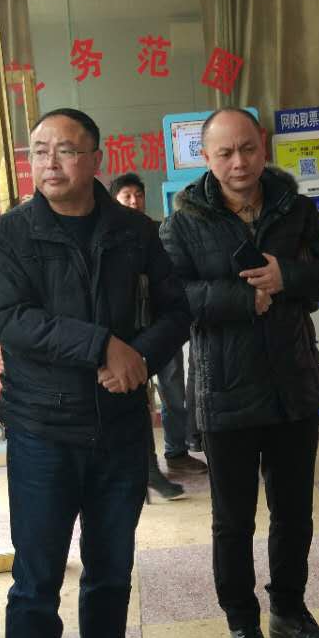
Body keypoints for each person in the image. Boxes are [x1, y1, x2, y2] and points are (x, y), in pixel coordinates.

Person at [0, 108, 189, 638]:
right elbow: (13, 320)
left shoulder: (134, 232)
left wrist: (139, 357)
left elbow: (177, 310)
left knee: (111, 568)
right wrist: (103, 345)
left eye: (65, 150)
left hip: (119, 427)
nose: (50, 162)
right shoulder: (8, 235)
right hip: (43, 430)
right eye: (39, 150)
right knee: (37, 578)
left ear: (96, 157)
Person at [159, 107, 319, 638]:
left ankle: (289, 610)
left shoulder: (295, 207)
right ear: (205, 158)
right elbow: (170, 298)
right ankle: (242, 622)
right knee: (233, 520)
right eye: (225, 153)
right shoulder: (183, 221)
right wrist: (242, 298)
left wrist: (288, 276)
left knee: (294, 512)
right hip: (226, 391)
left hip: (293, 384)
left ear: (263, 146)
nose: (238, 162)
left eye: (247, 148)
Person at [109, 172, 199, 502]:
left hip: (161, 327)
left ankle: (176, 451)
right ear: (115, 200)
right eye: (126, 196)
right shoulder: (110, 234)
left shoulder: (159, 230)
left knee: (173, 392)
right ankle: (147, 470)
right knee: (137, 400)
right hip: (128, 334)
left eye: (138, 195)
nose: (134, 201)